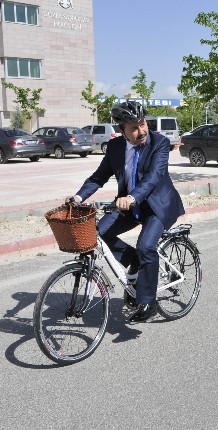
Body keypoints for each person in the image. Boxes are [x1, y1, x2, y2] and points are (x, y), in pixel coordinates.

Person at [67, 101, 185, 323]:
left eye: (142, 125)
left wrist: (132, 197)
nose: (141, 131)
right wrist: (78, 197)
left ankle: (148, 302)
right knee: (98, 233)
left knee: (146, 246)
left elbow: (153, 177)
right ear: (122, 131)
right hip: (128, 206)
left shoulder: (159, 143)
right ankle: (134, 261)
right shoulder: (115, 148)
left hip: (156, 206)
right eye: (134, 128)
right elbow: (98, 177)